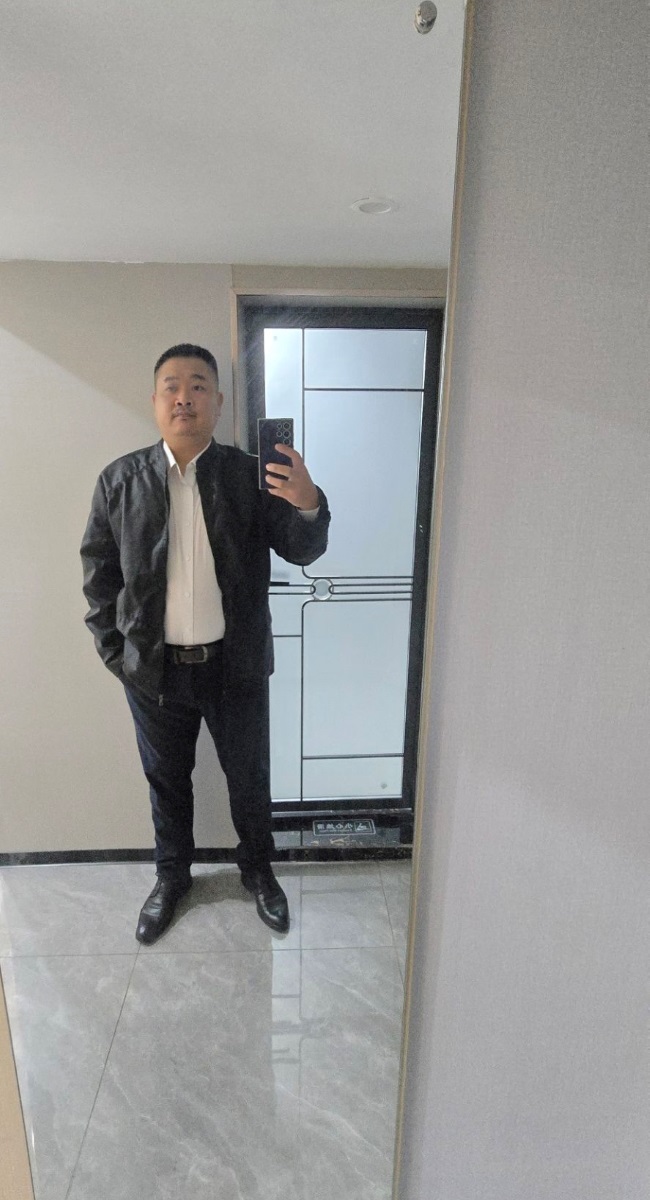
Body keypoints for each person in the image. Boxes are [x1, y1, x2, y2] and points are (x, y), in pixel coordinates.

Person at [81, 343, 330, 944]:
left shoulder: (251, 477)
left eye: (197, 386)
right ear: (155, 401)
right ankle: (172, 878)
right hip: (154, 671)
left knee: (249, 778)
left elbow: (302, 549)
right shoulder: (120, 481)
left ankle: (259, 873)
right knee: (166, 782)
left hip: (235, 666)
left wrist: (307, 501)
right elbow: (99, 578)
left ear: (217, 401)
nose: (184, 397)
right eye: (171, 386)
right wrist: (121, 657)